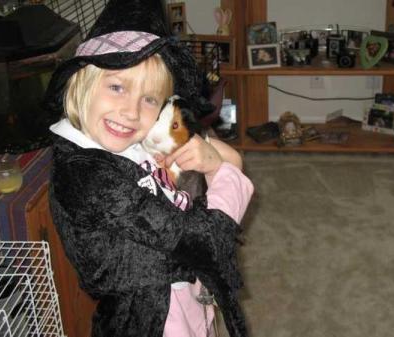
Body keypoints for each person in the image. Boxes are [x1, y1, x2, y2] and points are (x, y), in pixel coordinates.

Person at [43, 1, 253, 337]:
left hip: (188, 301)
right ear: (81, 83)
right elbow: (210, 243)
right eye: (117, 87)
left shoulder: (124, 137)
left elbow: (233, 160)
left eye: (150, 99)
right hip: (154, 320)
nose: (130, 111)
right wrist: (222, 173)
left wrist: (212, 158)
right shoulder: (89, 175)